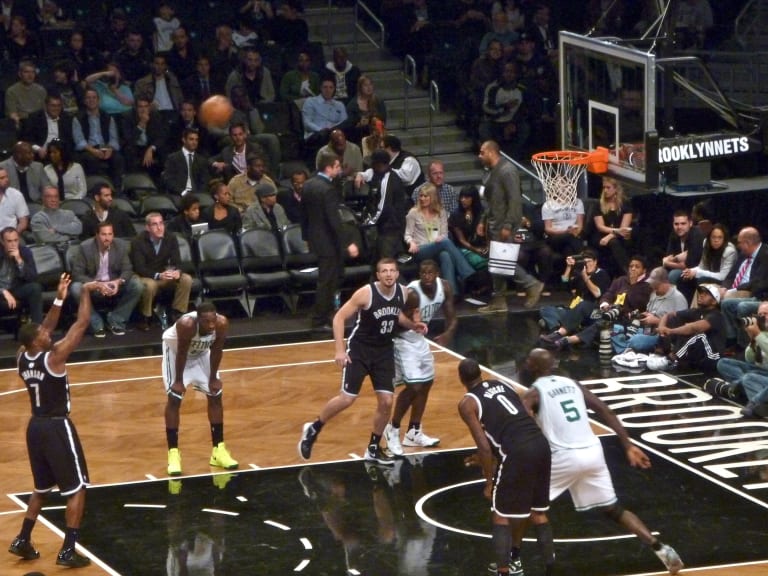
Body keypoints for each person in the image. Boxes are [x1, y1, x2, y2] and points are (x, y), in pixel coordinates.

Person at [520, 348, 685, 575]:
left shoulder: (533, 393)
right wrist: (627, 445)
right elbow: (605, 409)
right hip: (593, 452)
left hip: (565, 455)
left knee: (529, 508)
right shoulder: (573, 384)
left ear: (534, 366)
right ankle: (661, 548)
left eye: (529, 359)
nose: (526, 362)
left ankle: (534, 565)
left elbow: (520, 426)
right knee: (613, 509)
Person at [298, 258, 427, 465]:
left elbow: (396, 316)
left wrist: (413, 325)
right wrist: (340, 350)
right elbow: (339, 318)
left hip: (384, 351)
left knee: (386, 401)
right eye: (384, 271)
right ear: (378, 275)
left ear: (396, 274)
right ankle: (314, 428)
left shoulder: (402, 293)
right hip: (360, 350)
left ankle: (373, 448)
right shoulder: (365, 293)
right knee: (347, 398)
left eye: (392, 271)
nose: (388, 274)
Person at [9, 273, 98, 568]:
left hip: (34, 427)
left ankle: (23, 538)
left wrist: (60, 297)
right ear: (37, 342)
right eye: (45, 335)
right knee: (77, 488)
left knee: (41, 488)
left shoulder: (23, 356)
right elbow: (81, 324)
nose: (50, 334)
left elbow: (45, 325)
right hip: (57, 426)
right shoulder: (54, 357)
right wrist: (83, 293)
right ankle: (68, 549)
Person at [457, 357, 554, 576]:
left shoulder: (467, 403)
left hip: (516, 451)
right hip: (540, 443)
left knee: (501, 515)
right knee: (538, 513)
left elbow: (484, 445)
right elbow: (527, 414)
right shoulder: (503, 384)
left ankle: (503, 571)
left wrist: (489, 482)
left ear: (461, 378)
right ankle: (540, 566)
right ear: (481, 373)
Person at [385, 260, 456, 454]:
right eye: (423, 273)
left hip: (420, 339)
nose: (427, 276)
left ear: (437, 273)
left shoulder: (445, 287)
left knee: (426, 384)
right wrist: (413, 325)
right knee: (414, 386)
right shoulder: (411, 293)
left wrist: (448, 333)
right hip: (403, 340)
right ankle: (393, 428)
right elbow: (393, 318)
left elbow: (452, 316)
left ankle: (414, 432)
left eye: (430, 273)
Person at [163, 301, 238, 476]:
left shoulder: (221, 323)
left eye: (213, 320)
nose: (211, 325)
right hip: (176, 354)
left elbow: (218, 350)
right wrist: (179, 381)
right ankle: (173, 454)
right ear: (198, 320)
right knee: (174, 398)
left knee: (215, 395)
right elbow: (182, 352)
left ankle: (218, 450)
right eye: (207, 322)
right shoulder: (187, 325)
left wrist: (213, 378)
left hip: (201, 354)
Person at [477, 140, 544, 312]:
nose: (480, 156)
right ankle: (498, 300)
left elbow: (515, 201)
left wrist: (508, 225)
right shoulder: (492, 172)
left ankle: (532, 284)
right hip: (494, 223)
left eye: (482, 152)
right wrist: (482, 220)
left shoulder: (507, 171)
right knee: (496, 263)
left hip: (504, 224)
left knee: (502, 261)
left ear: (491, 152)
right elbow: (491, 201)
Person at [301, 152, 358, 331]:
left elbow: (304, 215)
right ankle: (319, 320)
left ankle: (325, 314)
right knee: (327, 281)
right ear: (329, 168)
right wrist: (348, 242)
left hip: (316, 240)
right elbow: (334, 219)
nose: (339, 169)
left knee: (328, 279)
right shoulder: (328, 189)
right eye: (337, 166)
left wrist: (306, 237)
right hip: (328, 242)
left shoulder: (308, 185)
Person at [69, 222, 144, 337]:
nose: (107, 238)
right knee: (76, 288)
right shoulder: (86, 247)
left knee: (137, 284)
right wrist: (97, 284)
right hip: (94, 284)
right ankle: (96, 324)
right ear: (97, 235)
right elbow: (77, 274)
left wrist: (118, 282)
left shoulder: (120, 245)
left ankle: (116, 319)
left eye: (110, 234)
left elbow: (128, 269)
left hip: (113, 283)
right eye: (103, 234)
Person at [404, 182, 476, 295]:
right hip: (421, 250)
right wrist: (411, 242)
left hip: (437, 247)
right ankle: (469, 274)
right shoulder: (413, 213)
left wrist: (441, 237)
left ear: (432, 197)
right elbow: (407, 234)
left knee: (445, 255)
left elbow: (444, 234)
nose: (422, 198)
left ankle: (452, 294)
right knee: (445, 242)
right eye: (421, 196)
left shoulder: (441, 212)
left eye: (426, 196)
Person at [131, 213, 193, 332]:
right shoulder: (137, 241)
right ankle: (145, 317)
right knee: (150, 285)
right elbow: (139, 268)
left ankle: (177, 313)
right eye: (155, 224)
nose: (159, 228)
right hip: (145, 276)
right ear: (148, 228)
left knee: (186, 279)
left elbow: (178, 262)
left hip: (164, 275)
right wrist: (159, 275)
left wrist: (177, 272)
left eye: (161, 223)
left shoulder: (170, 238)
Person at [705, 300, 768, 418]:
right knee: (724, 363)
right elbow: (749, 359)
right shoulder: (760, 331)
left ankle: (753, 401)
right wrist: (753, 339)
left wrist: (758, 335)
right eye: (760, 314)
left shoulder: (760, 332)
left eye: (766, 314)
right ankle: (743, 387)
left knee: (749, 378)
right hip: (760, 370)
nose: (763, 317)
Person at [538, 248, 611, 347]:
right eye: (585, 262)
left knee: (583, 305)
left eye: (589, 262)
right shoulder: (581, 273)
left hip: (595, 311)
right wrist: (568, 267)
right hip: (576, 309)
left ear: (595, 262)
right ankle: (557, 331)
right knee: (546, 309)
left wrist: (585, 277)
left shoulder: (601, 274)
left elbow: (597, 293)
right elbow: (564, 283)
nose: (587, 264)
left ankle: (560, 333)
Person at [647, 283, 726, 372]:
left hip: (713, 356)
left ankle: (672, 359)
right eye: (701, 292)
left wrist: (670, 331)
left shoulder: (716, 315)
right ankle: (659, 353)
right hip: (699, 355)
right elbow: (669, 315)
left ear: (714, 301)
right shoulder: (697, 311)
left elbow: (694, 328)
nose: (701, 295)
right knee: (673, 319)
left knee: (700, 335)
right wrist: (661, 327)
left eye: (706, 294)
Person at [611, 266, 689, 356]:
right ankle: (626, 349)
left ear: (665, 283)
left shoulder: (678, 298)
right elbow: (649, 312)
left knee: (635, 340)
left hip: (661, 337)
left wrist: (656, 321)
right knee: (615, 329)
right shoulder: (654, 294)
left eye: (656, 285)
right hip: (646, 330)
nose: (653, 287)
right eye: (652, 284)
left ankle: (625, 348)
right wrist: (645, 315)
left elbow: (680, 326)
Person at [720, 226, 768, 349]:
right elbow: (731, 275)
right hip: (757, 296)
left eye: (740, 243)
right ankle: (731, 340)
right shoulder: (744, 254)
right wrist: (725, 288)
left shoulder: (765, 255)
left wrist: (735, 289)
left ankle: (744, 345)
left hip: (762, 298)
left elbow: (759, 283)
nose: (738, 246)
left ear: (748, 243)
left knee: (743, 306)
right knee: (726, 304)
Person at [0, 226, 43, 324]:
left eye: (16, 240)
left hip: (15, 288)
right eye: (9, 241)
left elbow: (32, 277)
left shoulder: (25, 252)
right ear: (2, 242)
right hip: (1, 291)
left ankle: (37, 329)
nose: (13, 244)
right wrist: (3, 291)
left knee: (35, 288)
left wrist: (19, 260)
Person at [591, 176, 633, 277]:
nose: (605, 190)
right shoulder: (598, 204)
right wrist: (614, 233)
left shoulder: (625, 204)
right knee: (614, 243)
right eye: (604, 187)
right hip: (601, 235)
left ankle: (624, 273)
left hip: (618, 235)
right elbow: (600, 226)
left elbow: (624, 228)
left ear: (616, 189)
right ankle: (628, 272)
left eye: (608, 187)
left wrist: (610, 235)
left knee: (616, 241)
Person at [661, 210, 704, 304]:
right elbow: (669, 256)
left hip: (697, 270)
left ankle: (676, 307)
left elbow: (689, 265)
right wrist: (676, 258)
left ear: (690, 223)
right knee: (658, 274)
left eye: (683, 224)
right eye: (676, 224)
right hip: (683, 269)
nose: (679, 227)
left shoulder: (696, 234)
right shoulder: (674, 234)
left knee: (673, 274)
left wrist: (668, 262)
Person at [680, 223, 737, 289]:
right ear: (709, 237)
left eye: (720, 237)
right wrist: (690, 271)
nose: (716, 240)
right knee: (684, 277)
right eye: (713, 237)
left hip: (725, 282)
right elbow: (702, 267)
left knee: (702, 280)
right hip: (710, 275)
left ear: (724, 239)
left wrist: (697, 273)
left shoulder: (729, 251)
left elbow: (722, 276)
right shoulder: (706, 243)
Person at [0, 166, 30, 235]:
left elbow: (23, 223)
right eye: (2, 178)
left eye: (6, 177)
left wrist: (11, 237)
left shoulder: (16, 195)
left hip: (13, 235)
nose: (6, 180)